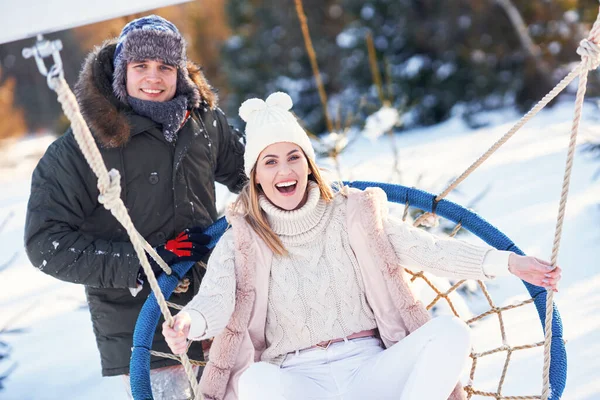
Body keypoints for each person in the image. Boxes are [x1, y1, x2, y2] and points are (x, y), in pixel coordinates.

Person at [162, 92, 562, 400]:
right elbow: (216, 299)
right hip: (300, 380)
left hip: (371, 368)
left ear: (308, 164)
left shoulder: (351, 214)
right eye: (270, 162)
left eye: (293, 157)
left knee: (451, 333)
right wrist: (189, 324)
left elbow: (429, 250)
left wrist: (508, 263)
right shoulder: (243, 239)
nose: (284, 170)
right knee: (256, 381)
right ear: (256, 176)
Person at [24, 15, 246, 400]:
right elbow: (46, 243)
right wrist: (141, 263)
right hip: (145, 333)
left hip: (219, 310)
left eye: (165, 67)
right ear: (120, 71)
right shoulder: (83, 147)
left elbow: (255, 175)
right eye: (140, 66)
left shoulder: (205, 122)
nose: (153, 78)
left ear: (179, 71)